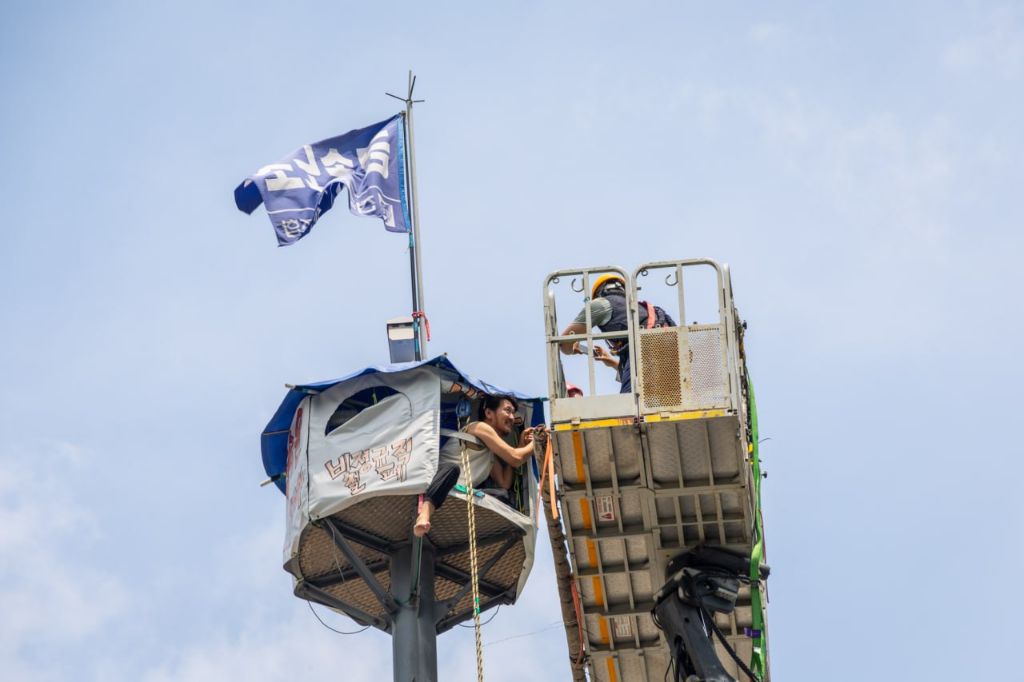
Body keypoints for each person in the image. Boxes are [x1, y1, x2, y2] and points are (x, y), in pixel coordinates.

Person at [413, 394, 547, 537]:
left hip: (457, 496)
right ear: (489, 413)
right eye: (508, 411)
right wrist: (537, 443)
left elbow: (504, 482)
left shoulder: (488, 454)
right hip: (437, 483)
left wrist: (521, 445)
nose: (512, 418)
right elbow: (515, 457)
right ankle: (424, 514)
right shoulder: (478, 427)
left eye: (514, 413)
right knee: (452, 469)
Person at [559, 273, 675, 393]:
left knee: (631, 407)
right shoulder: (641, 311)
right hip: (672, 365)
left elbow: (564, 344)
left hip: (647, 358)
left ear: (598, 294)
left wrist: (573, 347)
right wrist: (611, 362)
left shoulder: (600, 304)